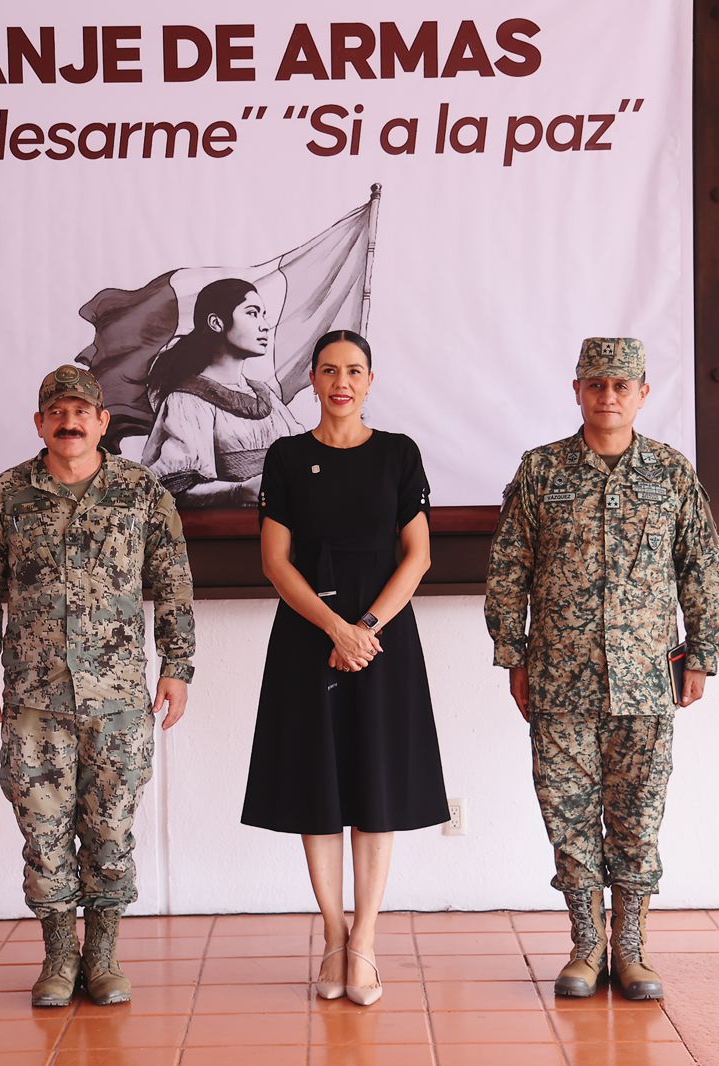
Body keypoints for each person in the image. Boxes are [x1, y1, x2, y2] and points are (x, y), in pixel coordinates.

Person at [484, 337, 719, 1001]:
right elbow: (510, 568)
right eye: (597, 384)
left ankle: (632, 947)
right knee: (566, 814)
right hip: (560, 677)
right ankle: (586, 944)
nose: (609, 396)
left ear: (643, 393)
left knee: (637, 816)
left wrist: (702, 653)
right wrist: (514, 654)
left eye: (622, 385)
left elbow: (701, 567)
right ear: (578, 391)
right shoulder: (543, 472)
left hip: (648, 679)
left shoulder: (670, 473)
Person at [0, 364, 196, 1009]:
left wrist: (177, 665)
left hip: (118, 697)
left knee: (111, 825)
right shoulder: (6, 496)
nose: (69, 424)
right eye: (56, 413)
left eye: (82, 413)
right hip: (34, 699)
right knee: (42, 828)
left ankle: (105, 955)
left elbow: (173, 585)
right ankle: (60, 955)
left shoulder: (140, 492)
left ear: (102, 422)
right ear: (40, 423)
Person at [241, 329, 449, 1007]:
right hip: (308, 636)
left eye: (354, 370)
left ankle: (365, 942)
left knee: (377, 785)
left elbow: (415, 556)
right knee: (319, 787)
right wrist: (333, 627)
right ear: (311, 378)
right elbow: (276, 562)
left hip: (383, 636)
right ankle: (333, 937)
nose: (341, 382)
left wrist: (364, 629)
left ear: (370, 379)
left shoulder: (398, 455)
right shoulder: (287, 458)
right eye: (329, 370)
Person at [140, 278, 304, 507]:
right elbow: (173, 487)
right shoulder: (188, 400)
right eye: (252, 313)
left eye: (263, 314)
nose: (265, 325)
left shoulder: (265, 395)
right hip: (228, 534)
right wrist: (240, 491)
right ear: (216, 323)